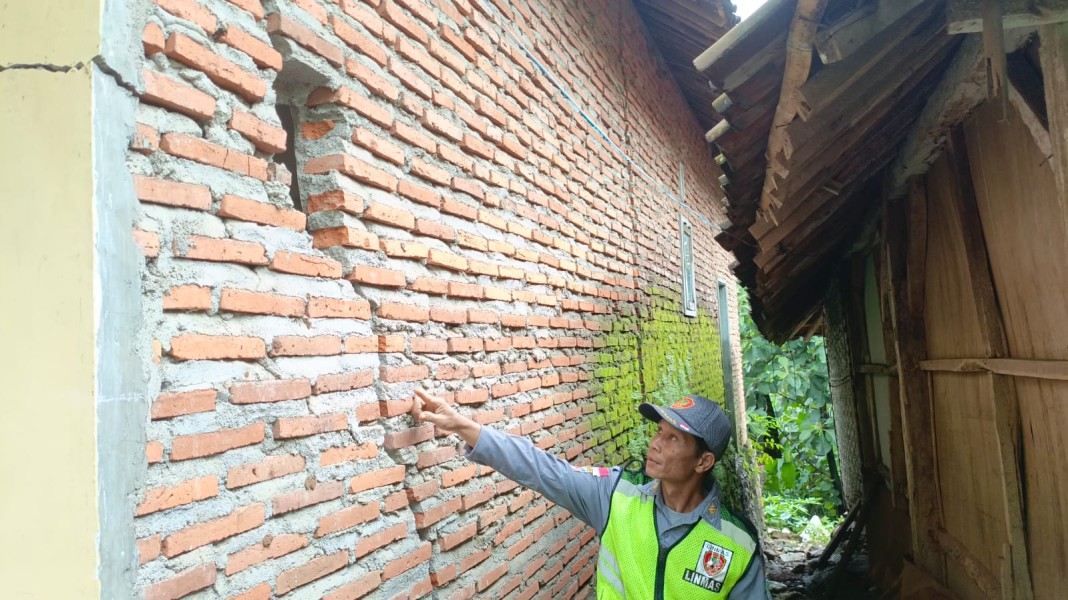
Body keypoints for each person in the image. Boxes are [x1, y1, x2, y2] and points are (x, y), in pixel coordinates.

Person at [412, 389, 770, 599]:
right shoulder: (616, 495)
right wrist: (462, 425)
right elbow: (541, 468)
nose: (655, 444)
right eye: (658, 431)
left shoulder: (737, 545)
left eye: (672, 438)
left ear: (703, 461)